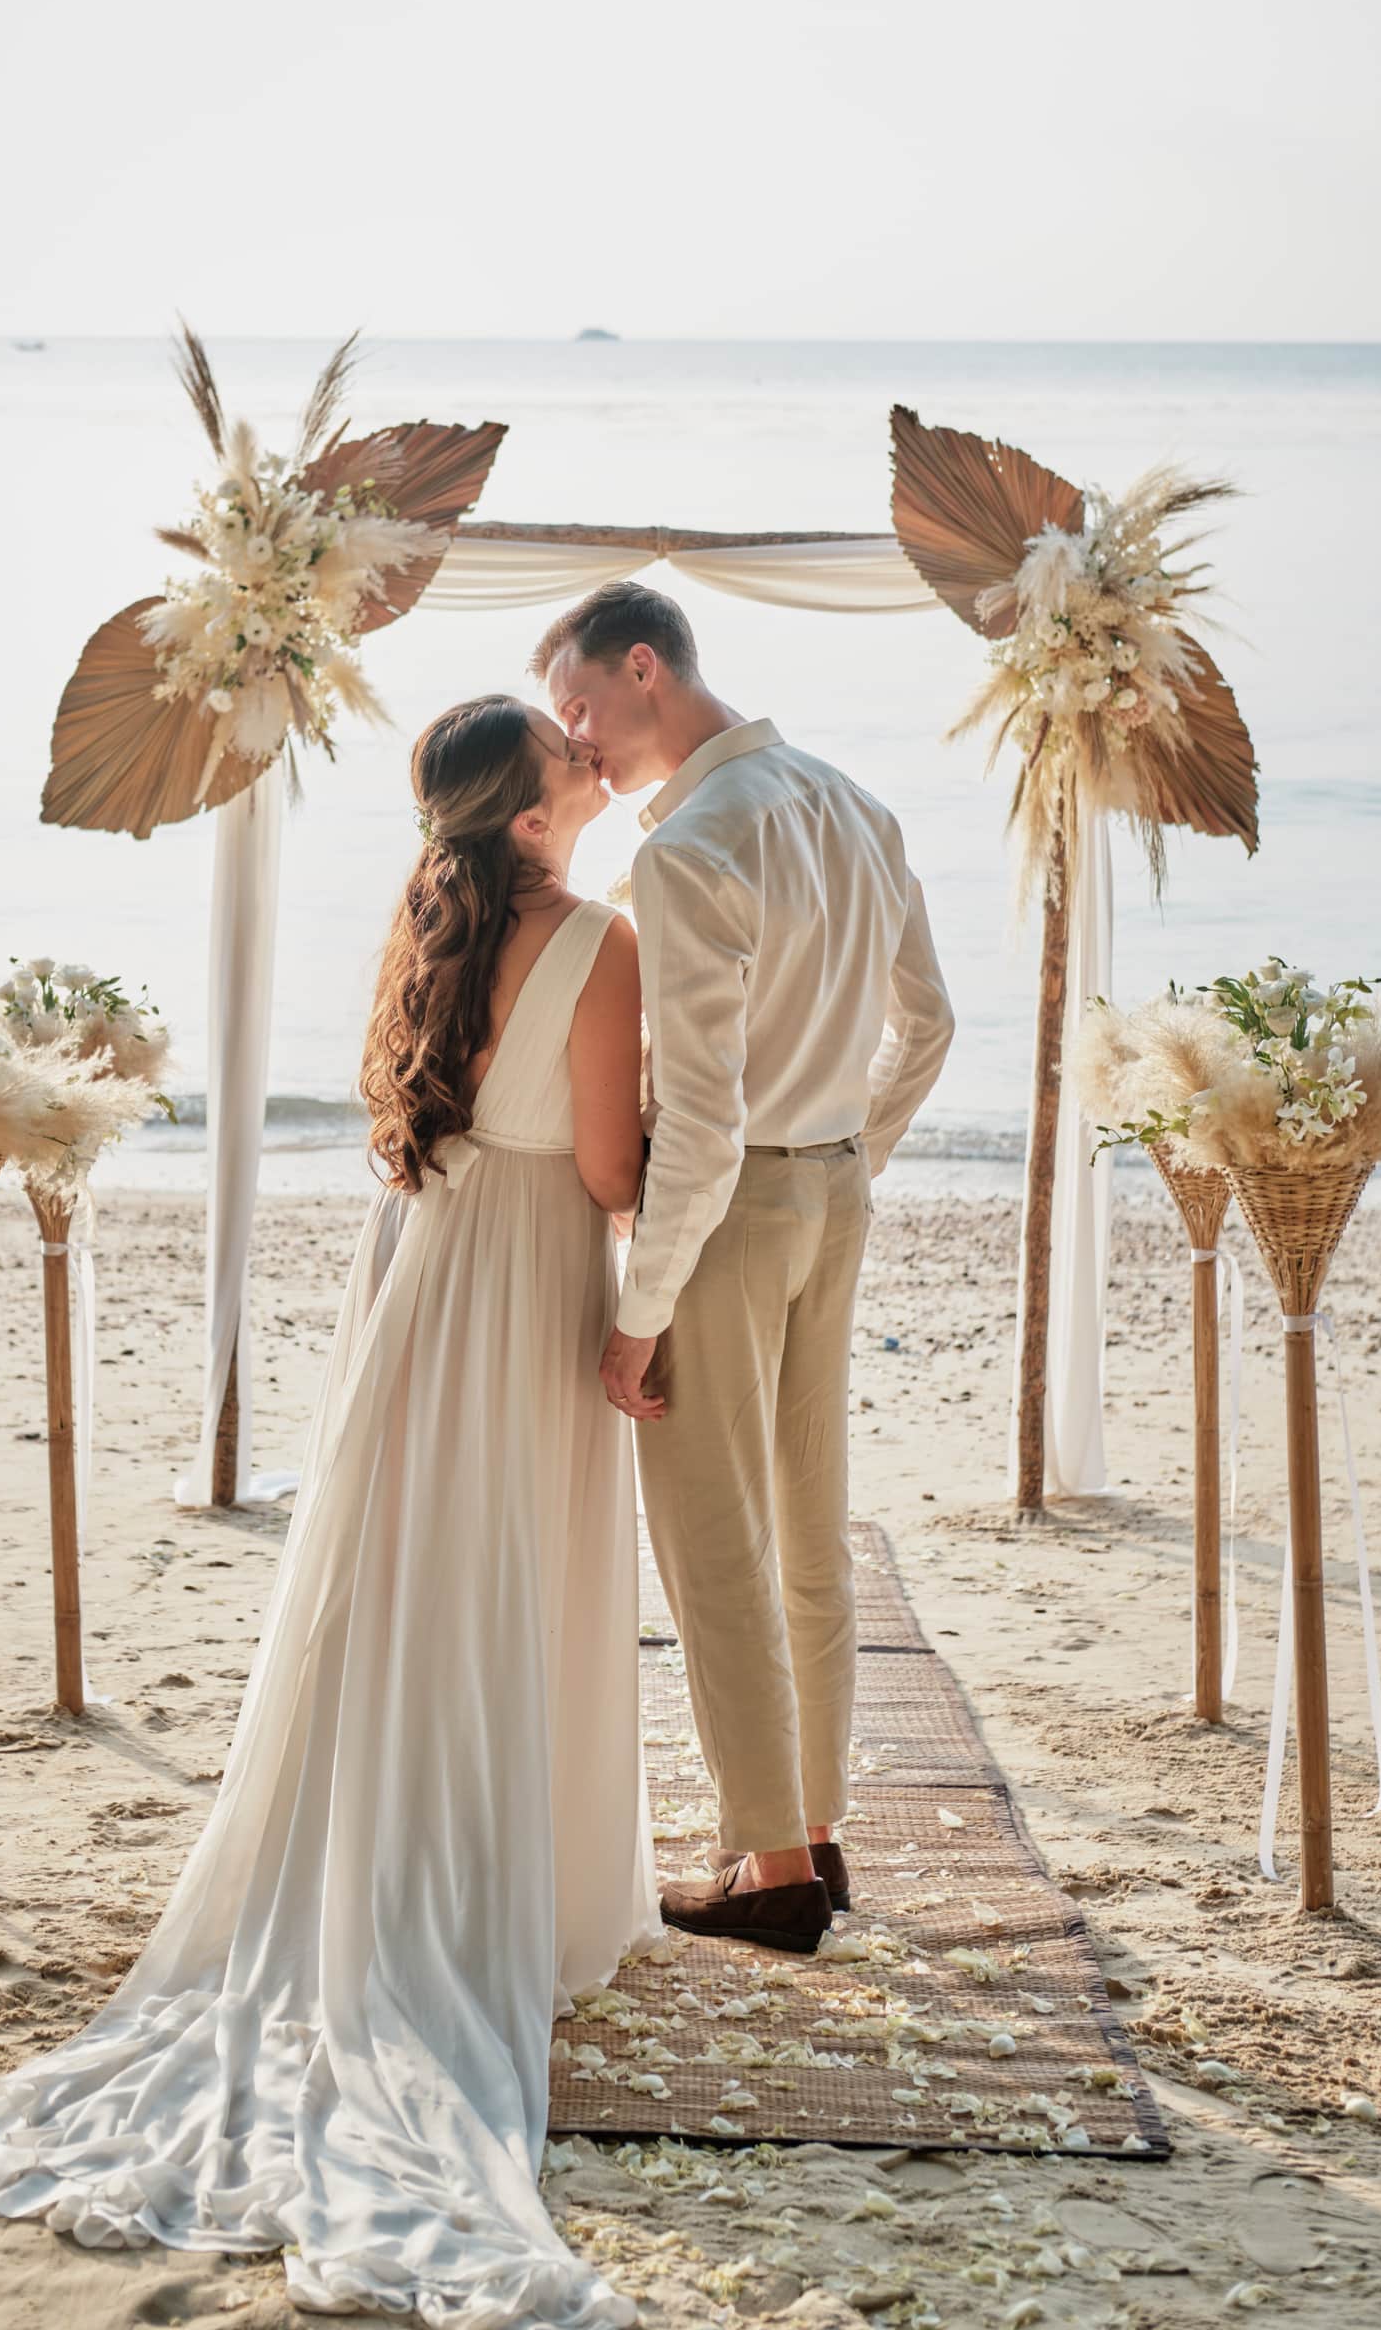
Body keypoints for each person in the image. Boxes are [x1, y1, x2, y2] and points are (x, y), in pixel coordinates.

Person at [0, 694, 660, 2325]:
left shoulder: (428, 918)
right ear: (534, 816)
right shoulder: (599, 945)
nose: (586, 755)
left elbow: (438, 1117)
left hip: (420, 1274)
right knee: (515, 1576)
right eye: (566, 752)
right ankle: (499, 1907)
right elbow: (613, 1175)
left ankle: (396, 1863)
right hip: (530, 1270)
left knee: (410, 1580)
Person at [535, 581, 955, 1957]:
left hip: (731, 1214)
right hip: (832, 1192)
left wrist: (637, 1317)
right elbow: (930, 1026)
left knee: (715, 1541)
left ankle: (769, 1868)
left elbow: (702, 1126)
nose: (576, 739)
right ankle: (815, 1832)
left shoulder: (690, 848)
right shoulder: (850, 801)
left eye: (581, 707)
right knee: (808, 1526)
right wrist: (848, 1158)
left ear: (644, 669)